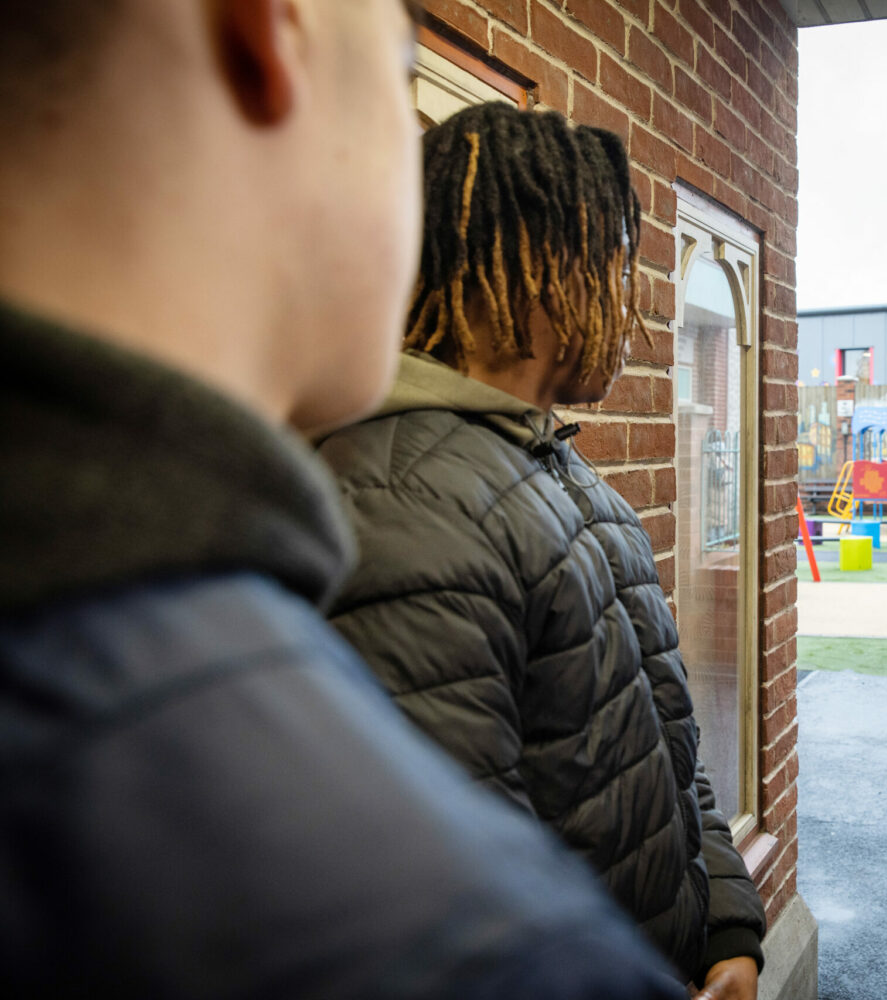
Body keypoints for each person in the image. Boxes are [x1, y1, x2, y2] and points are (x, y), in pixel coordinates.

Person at [0, 3, 686, 997]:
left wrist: (722, 918)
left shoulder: (561, 473)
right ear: (271, 29)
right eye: (399, 69)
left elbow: (663, 737)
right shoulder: (485, 941)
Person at [316, 101, 767, 1000]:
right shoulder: (401, 506)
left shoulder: (567, 478)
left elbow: (672, 757)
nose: (629, 301)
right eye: (610, 263)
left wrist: (726, 926)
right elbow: (453, 903)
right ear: (527, 272)